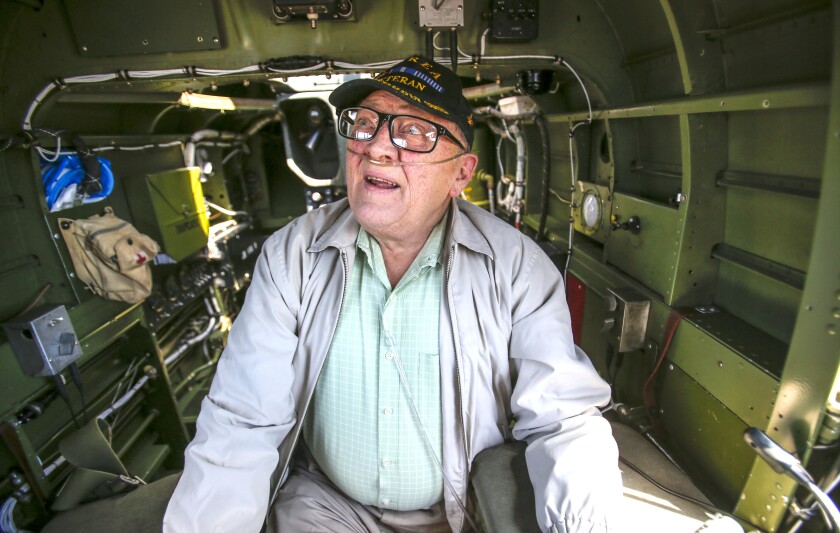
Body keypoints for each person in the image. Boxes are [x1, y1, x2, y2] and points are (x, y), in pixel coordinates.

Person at [163, 55, 621, 533]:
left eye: (415, 132)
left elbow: (562, 419)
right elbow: (242, 421)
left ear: (461, 173)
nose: (376, 147)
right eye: (364, 125)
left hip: (464, 509)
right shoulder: (291, 257)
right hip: (327, 505)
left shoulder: (517, 268)